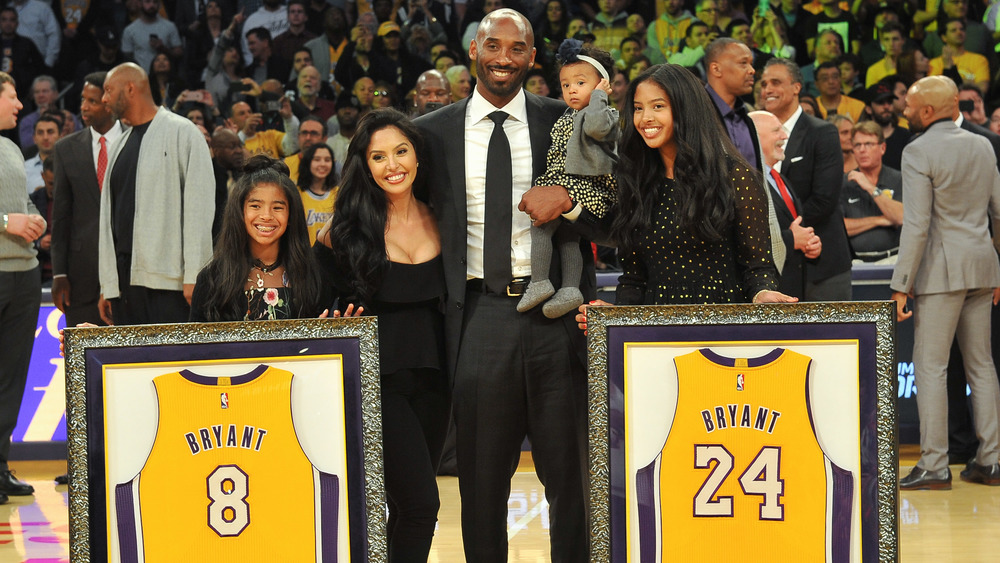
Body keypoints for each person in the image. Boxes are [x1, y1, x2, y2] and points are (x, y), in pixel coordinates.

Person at [414, 8, 604, 562]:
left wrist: (568, 202)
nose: (503, 58)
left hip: (558, 315)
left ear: (532, 58)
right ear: (474, 49)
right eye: (493, 46)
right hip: (477, 315)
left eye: (516, 49)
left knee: (572, 478)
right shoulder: (429, 134)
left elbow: (614, 211)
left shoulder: (564, 120)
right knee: (480, 482)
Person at [315, 108, 447, 561]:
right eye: (379, 156)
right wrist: (329, 320)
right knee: (421, 504)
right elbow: (318, 303)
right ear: (364, 166)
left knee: (410, 507)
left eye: (401, 151)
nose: (393, 165)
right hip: (377, 385)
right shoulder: (344, 231)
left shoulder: (444, 220)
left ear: (417, 155)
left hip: (437, 383)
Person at [594, 64, 794, 308]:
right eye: (638, 108)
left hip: (720, 324)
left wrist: (762, 293)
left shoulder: (735, 176)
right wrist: (615, 317)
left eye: (658, 106)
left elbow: (758, 267)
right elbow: (634, 279)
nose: (645, 118)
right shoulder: (634, 180)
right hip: (655, 333)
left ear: (685, 110)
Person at [892, 75, 1000, 490]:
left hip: (941, 271)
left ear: (926, 111)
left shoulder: (918, 150)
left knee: (931, 367)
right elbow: (998, 210)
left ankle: (935, 465)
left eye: (909, 106)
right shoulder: (983, 144)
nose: (904, 111)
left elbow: (917, 225)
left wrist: (902, 282)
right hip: (982, 266)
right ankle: (990, 460)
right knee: (982, 365)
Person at [97, 62, 215, 325]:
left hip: (170, 282)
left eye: (108, 90)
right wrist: (108, 283)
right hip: (124, 283)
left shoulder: (183, 132)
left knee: (173, 365)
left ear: (130, 89)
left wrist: (195, 274)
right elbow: (109, 221)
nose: (103, 98)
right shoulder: (120, 144)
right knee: (132, 366)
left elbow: (199, 208)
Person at [516, 39, 617, 319]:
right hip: (568, 182)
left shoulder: (603, 113)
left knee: (542, 221)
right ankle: (571, 288)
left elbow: (597, 129)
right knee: (567, 233)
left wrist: (599, 97)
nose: (572, 89)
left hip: (587, 185)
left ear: (601, 84)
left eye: (581, 83)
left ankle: (539, 281)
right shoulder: (567, 114)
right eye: (565, 84)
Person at [190, 155, 330, 322]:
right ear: (239, 212)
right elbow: (195, 346)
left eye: (277, 207)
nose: (266, 216)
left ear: (292, 215)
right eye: (255, 206)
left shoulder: (312, 275)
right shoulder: (212, 279)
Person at [759, 58, 852, 301]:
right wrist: (783, 239)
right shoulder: (752, 135)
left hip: (822, 264)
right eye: (764, 83)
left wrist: (785, 233)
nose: (767, 89)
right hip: (780, 265)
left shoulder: (822, 133)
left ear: (796, 87)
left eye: (776, 82)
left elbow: (824, 200)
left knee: (829, 339)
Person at [0, 70, 44, 503]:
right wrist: (5, 223)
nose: (19, 106)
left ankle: (1, 467)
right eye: (12, 97)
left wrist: (36, 220)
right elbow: (6, 216)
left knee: (12, 380)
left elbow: (24, 205)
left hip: (25, 274)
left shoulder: (12, 148)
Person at [51, 71, 124, 328]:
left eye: (91, 101)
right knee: (82, 357)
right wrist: (59, 272)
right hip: (81, 275)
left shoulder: (136, 140)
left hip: (127, 270)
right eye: (83, 99)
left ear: (108, 102)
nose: (83, 107)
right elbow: (61, 216)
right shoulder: (65, 148)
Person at [750, 109, 821, 300]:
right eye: (776, 131)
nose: (785, 136)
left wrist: (809, 243)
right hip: (768, 293)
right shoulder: (746, 183)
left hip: (795, 289)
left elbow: (795, 224)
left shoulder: (779, 178)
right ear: (755, 138)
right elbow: (748, 240)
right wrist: (791, 239)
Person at [841, 120, 903, 264]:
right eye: (857, 145)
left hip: (894, 259)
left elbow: (901, 217)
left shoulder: (898, 178)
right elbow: (840, 228)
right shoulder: (843, 183)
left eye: (868, 144)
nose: (862, 150)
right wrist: (880, 220)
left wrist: (870, 187)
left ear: (882, 148)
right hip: (856, 262)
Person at [297, 143, 337, 244]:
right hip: (303, 255)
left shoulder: (339, 194)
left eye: (327, 160)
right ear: (308, 162)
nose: (323, 164)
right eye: (317, 159)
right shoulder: (297, 194)